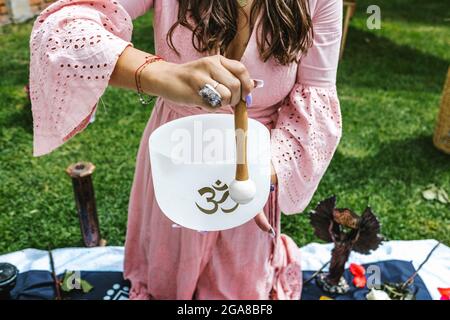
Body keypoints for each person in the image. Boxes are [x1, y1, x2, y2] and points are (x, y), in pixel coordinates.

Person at [30, 0, 343, 299]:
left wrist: (265, 173)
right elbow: (63, 28)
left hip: (255, 163)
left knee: (236, 284)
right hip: (176, 153)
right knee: (169, 269)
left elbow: (315, 102)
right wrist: (161, 74)